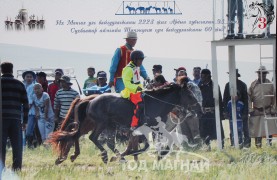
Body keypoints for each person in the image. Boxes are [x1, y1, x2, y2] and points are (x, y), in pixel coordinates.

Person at [1, 62, 29, 172]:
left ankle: (1, 169)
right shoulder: (19, 84)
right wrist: (25, 121)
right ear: (12, 70)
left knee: (1, 146)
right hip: (15, 119)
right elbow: (26, 104)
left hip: (1, 120)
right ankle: (16, 170)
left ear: (1, 70)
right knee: (17, 146)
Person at [248, 65, 277, 148]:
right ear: (258, 74)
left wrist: (273, 109)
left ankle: (269, 146)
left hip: (268, 110)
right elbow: (249, 98)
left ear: (266, 74)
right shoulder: (253, 85)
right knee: (257, 131)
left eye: (264, 73)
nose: (262, 75)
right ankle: (258, 147)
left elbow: (274, 98)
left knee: (269, 131)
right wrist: (250, 109)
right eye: (260, 73)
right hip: (257, 111)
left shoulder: (270, 85)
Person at [223, 69, 250, 147]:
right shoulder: (227, 85)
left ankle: (246, 144)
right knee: (232, 129)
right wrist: (225, 111)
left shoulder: (242, 85)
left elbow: (246, 99)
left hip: (241, 110)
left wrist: (245, 112)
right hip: (231, 110)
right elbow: (225, 99)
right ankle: (233, 144)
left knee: (244, 129)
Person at [121, 50, 147, 131]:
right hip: (130, 91)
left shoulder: (136, 67)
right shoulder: (128, 69)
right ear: (135, 60)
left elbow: (137, 82)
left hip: (137, 90)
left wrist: (144, 88)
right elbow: (127, 84)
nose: (141, 62)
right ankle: (133, 125)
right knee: (140, 105)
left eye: (142, 60)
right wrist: (137, 88)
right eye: (140, 60)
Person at [198, 69, 225, 148]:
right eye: (201, 76)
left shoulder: (215, 86)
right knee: (204, 130)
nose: (201, 77)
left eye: (203, 76)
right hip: (204, 112)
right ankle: (207, 146)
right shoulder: (200, 86)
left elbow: (219, 99)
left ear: (208, 76)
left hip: (213, 112)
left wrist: (221, 112)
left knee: (217, 129)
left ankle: (221, 145)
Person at [22, 70, 37, 148]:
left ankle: (30, 145)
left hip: (31, 112)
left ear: (33, 78)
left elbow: (31, 101)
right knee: (21, 130)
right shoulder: (22, 85)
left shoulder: (35, 86)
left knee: (28, 131)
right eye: (27, 76)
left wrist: (26, 108)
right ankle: (24, 145)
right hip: (21, 111)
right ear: (24, 78)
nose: (29, 78)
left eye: (30, 77)